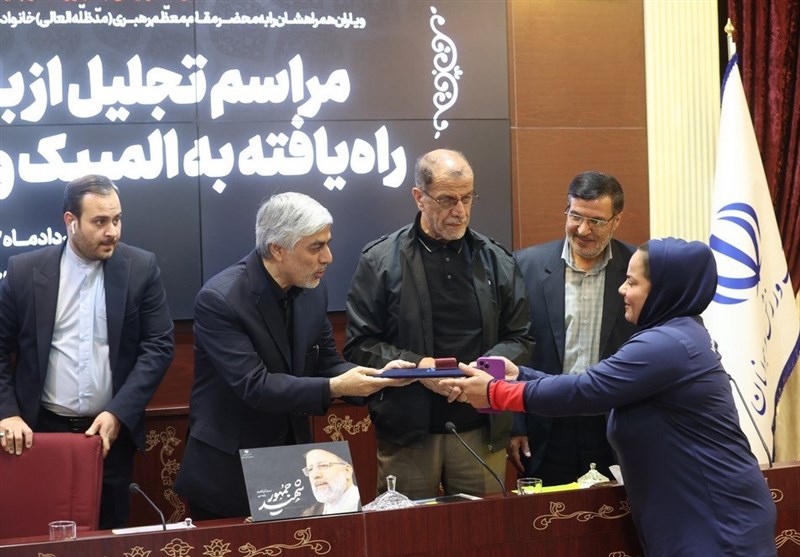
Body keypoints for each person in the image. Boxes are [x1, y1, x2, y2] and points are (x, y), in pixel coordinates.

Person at [446, 238, 777, 557]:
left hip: (715, 519)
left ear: (663, 290)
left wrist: (495, 392)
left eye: (632, 282)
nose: (621, 289)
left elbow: (586, 392)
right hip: (697, 514)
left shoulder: (665, 344)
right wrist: (520, 375)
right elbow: (593, 384)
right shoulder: (675, 334)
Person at [173, 192, 409, 519]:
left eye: (327, 244)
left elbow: (328, 363)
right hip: (229, 470)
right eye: (316, 247)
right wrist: (337, 387)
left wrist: (380, 377)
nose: (328, 257)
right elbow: (255, 386)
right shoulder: (220, 299)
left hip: (289, 463)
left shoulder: (312, 291)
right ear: (278, 249)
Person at [344, 148, 533, 500]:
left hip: (481, 427)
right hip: (409, 433)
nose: (460, 211)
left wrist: (481, 371)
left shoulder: (496, 259)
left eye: (467, 198)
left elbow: (521, 337)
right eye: (447, 199)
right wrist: (420, 368)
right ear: (419, 197)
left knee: (483, 528)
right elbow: (360, 345)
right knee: (407, 528)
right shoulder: (379, 260)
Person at [0, 174, 175, 529]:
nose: (113, 232)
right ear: (71, 221)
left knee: (110, 535)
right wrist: (7, 412)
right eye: (100, 222)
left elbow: (159, 346)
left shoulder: (141, 268)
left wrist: (119, 412)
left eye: (117, 219)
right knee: (43, 534)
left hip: (109, 435)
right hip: (40, 433)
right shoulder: (23, 271)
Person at [511, 171, 636, 485]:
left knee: (613, 511)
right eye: (575, 216)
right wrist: (514, 424)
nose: (582, 229)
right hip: (546, 422)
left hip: (614, 424)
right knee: (549, 511)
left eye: (596, 221)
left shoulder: (638, 269)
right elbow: (513, 346)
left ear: (617, 220)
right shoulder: (525, 266)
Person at [301, 448, 360, 516]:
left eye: (323, 465)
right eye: (310, 469)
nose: (315, 475)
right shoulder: (309, 514)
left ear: (347, 471)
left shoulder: (366, 506)